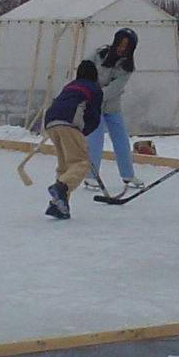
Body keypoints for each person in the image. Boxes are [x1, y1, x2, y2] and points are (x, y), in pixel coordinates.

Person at [84, 28, 143, 193]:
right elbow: (84, 71)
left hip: (111, 106)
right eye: (120, 44)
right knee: (95, 141)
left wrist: (96, 94)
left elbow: (115, 88)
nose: (122, 48)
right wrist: (87, 91)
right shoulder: (98, 54)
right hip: (93, 106)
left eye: (126, 46)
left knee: (121, 140)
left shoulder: (127, 67)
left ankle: (128, 175)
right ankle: (90, 175)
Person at [43, 59, 104, 220]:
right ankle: (61, 188)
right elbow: (93, 117)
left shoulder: (69, 86)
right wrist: (83, 135)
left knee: (65, 166)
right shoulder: (95, 89)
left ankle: (58, 205)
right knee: (82, 163)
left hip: (50, 122)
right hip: (69, 122)